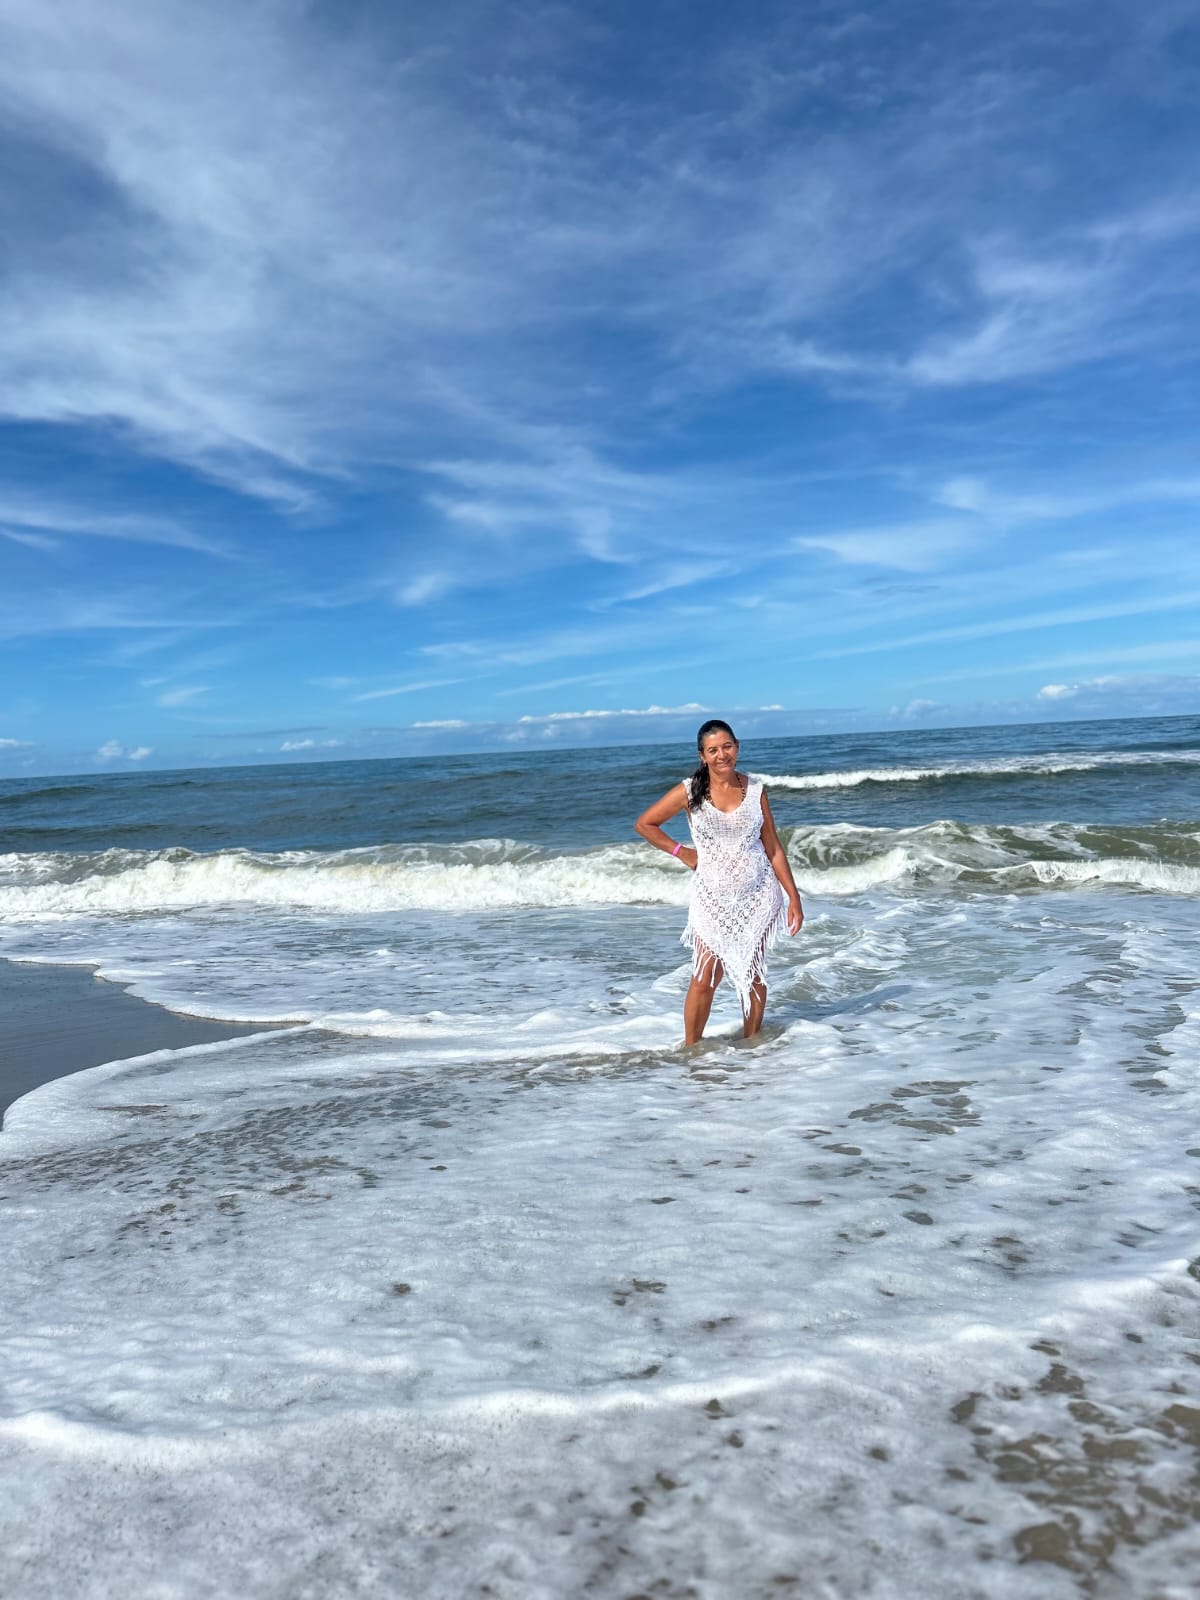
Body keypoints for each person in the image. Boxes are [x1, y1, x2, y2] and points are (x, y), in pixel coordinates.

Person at [635, 719, 804, 1044]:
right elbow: (646, 824)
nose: (721, 754)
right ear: (703, 756)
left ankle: (752, 1045)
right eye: (713, 750)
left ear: (737, 747)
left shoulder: (755, 791)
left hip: (758, 894)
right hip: (711, 897)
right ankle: (691, 1050)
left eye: (727, 746)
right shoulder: (689, 792)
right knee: (705, 976)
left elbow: (773, 848)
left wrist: (793, 897)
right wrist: (682, 852)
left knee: (753, 974)